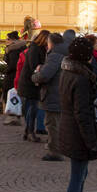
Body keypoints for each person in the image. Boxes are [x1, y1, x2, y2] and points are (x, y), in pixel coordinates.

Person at [58, 36, 97, 192]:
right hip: (77, 131)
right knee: (77, 177)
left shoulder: (68, 71)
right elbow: (82, 113)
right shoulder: (81, 78)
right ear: (86, 57)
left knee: (81, 174)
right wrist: (91, 141)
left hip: (68, 126)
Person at [33, 31, 72, 162]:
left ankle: (55, 151)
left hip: (53, 95)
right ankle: (59, 148)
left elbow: (45, 75)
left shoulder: (55, 56)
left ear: (51, 43)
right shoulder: (64, 53)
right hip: (61, 93)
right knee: (57, 124)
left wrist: (35, 75)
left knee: (52, 125)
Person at [17, 30, 50, 144]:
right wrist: (41, 70)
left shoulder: (38, 48)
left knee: (32, 108)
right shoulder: (35, 49)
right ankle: (30, 132)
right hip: (30, 83)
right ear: (44, 39)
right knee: (32, 108)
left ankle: (28, 132)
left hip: (32, 82)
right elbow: (33, 66)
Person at [1, 31, 27, 126]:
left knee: (9, 94)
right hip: (20, 74)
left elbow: (13, 64)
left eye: (7, 39)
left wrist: (7, 70)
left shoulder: (13, 49)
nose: (6, 41)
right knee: (16, 95)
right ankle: (15, 116)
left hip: (13, 75)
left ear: (12, 40)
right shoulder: (22, 46)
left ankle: (12, 117)